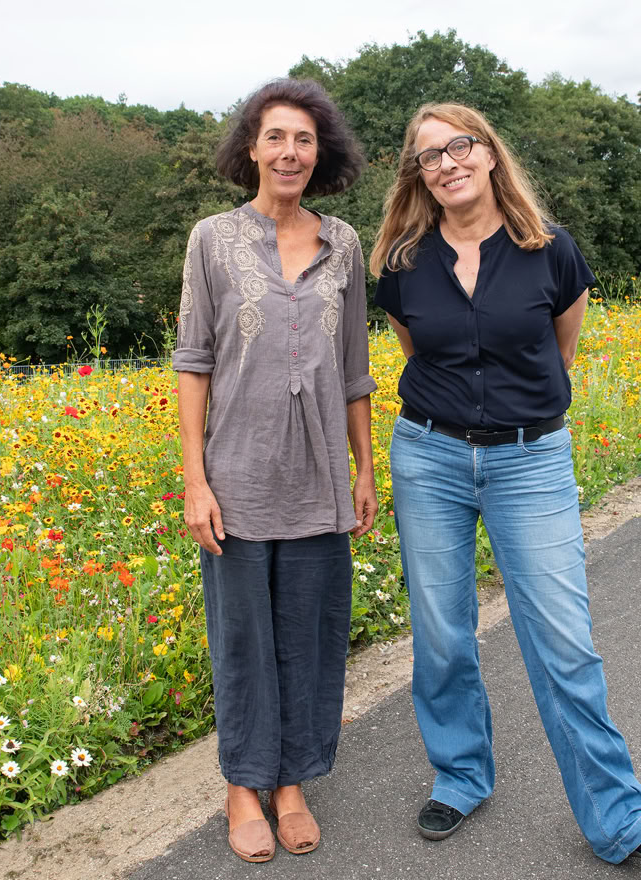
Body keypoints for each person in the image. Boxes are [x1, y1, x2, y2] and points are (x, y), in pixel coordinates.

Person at [371, 102, 641, 866]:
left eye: (459, 146)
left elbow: (559, 352)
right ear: (419, 176)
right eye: (428, 156)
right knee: (442, 633)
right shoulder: (403, 264)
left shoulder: (552, 251)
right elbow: (420, 353)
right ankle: (460, 776)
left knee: (563, 641)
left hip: (530, 460)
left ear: (489, 154)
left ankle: (619, 818)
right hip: (429, 457)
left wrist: (513, 416)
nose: (447, 163)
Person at [173, 78, 377, 864]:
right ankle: (243, 783)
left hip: (319, 476)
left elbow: (354, 368)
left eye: (304, 140)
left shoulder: (344, 244)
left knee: (311, 636)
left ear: (320, 153)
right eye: (276, 137)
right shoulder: (212, 239)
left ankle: (291, 782)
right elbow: (193, 360)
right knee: (243, 641)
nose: (290, 152)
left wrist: (363, 470)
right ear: (252, 149)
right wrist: (196, 480)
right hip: (237, 476)